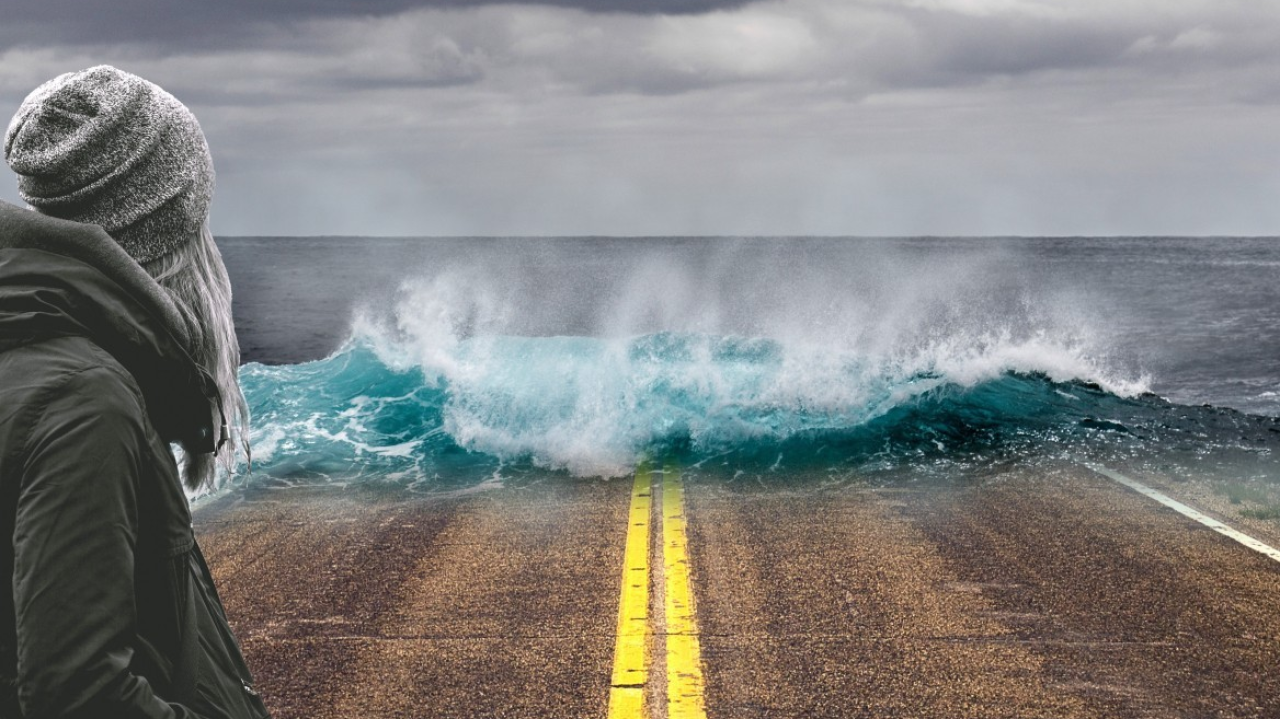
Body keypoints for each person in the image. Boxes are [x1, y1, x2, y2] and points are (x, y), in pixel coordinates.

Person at [0, 65, 267, 717]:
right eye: (197, 220)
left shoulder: (40, 351)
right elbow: (81, 698)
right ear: (162, 232)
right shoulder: (88, 403)